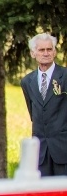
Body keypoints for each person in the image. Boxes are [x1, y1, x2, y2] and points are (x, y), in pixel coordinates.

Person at [21, 33, 67, 176]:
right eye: (41, 50)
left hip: (63, 149)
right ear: (33, 53)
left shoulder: (65, 76)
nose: (46, 53)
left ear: (54, 52)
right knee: (43, 190)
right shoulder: (27, 81)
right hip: (40, 152)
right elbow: (34, 113)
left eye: (49, 49)